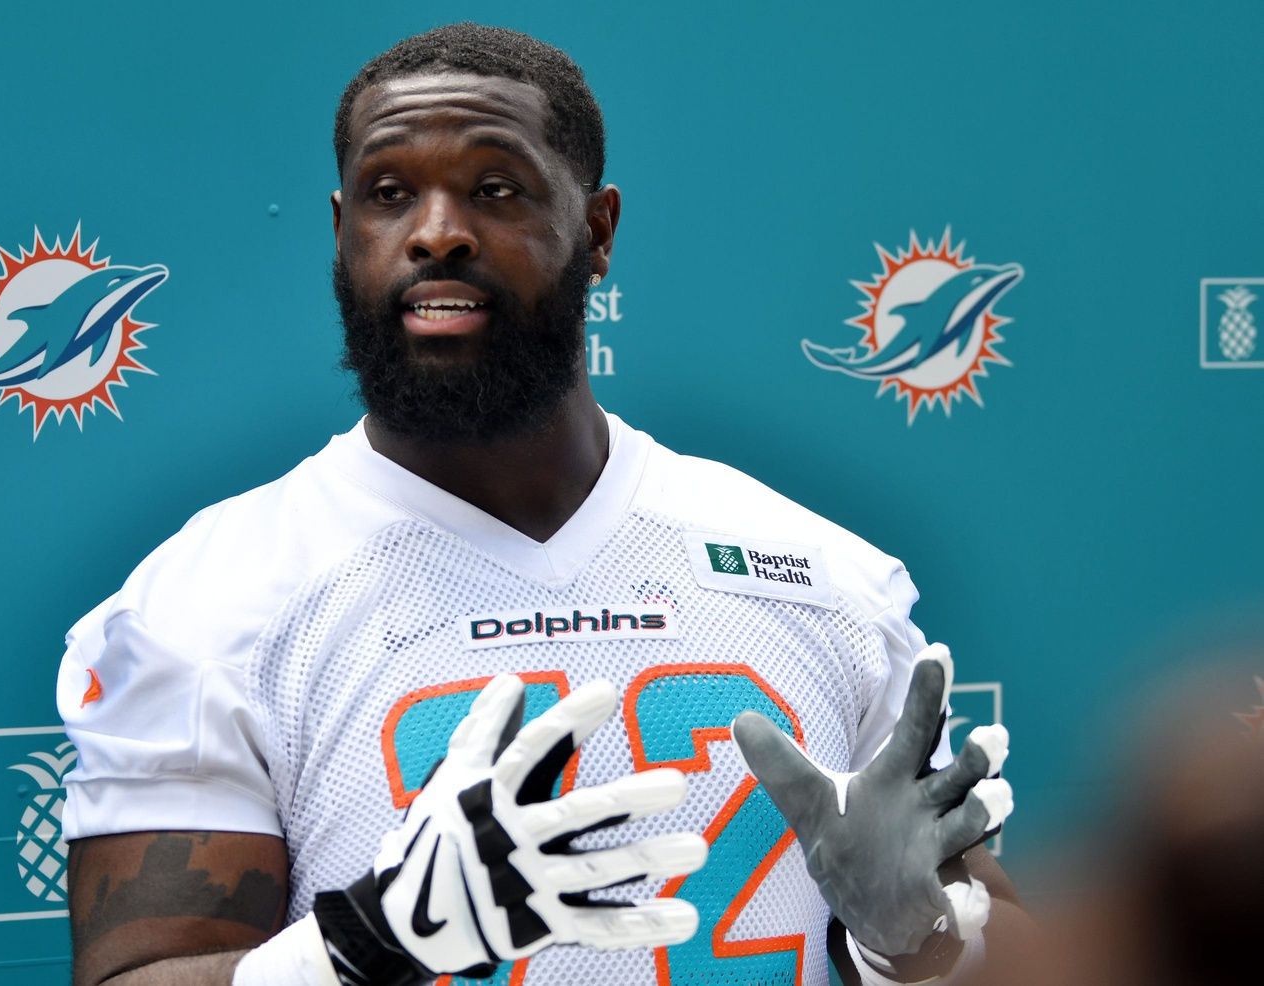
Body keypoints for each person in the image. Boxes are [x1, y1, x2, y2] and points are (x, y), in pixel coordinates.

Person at [57, 22, 1028, 986]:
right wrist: (353, 946)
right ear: (342, 229)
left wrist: (915, 945)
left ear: (597, 230)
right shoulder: (214, 601)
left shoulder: (819, 575)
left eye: (495, 189)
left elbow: (997, 947)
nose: (437, 231)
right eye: (390, 194)